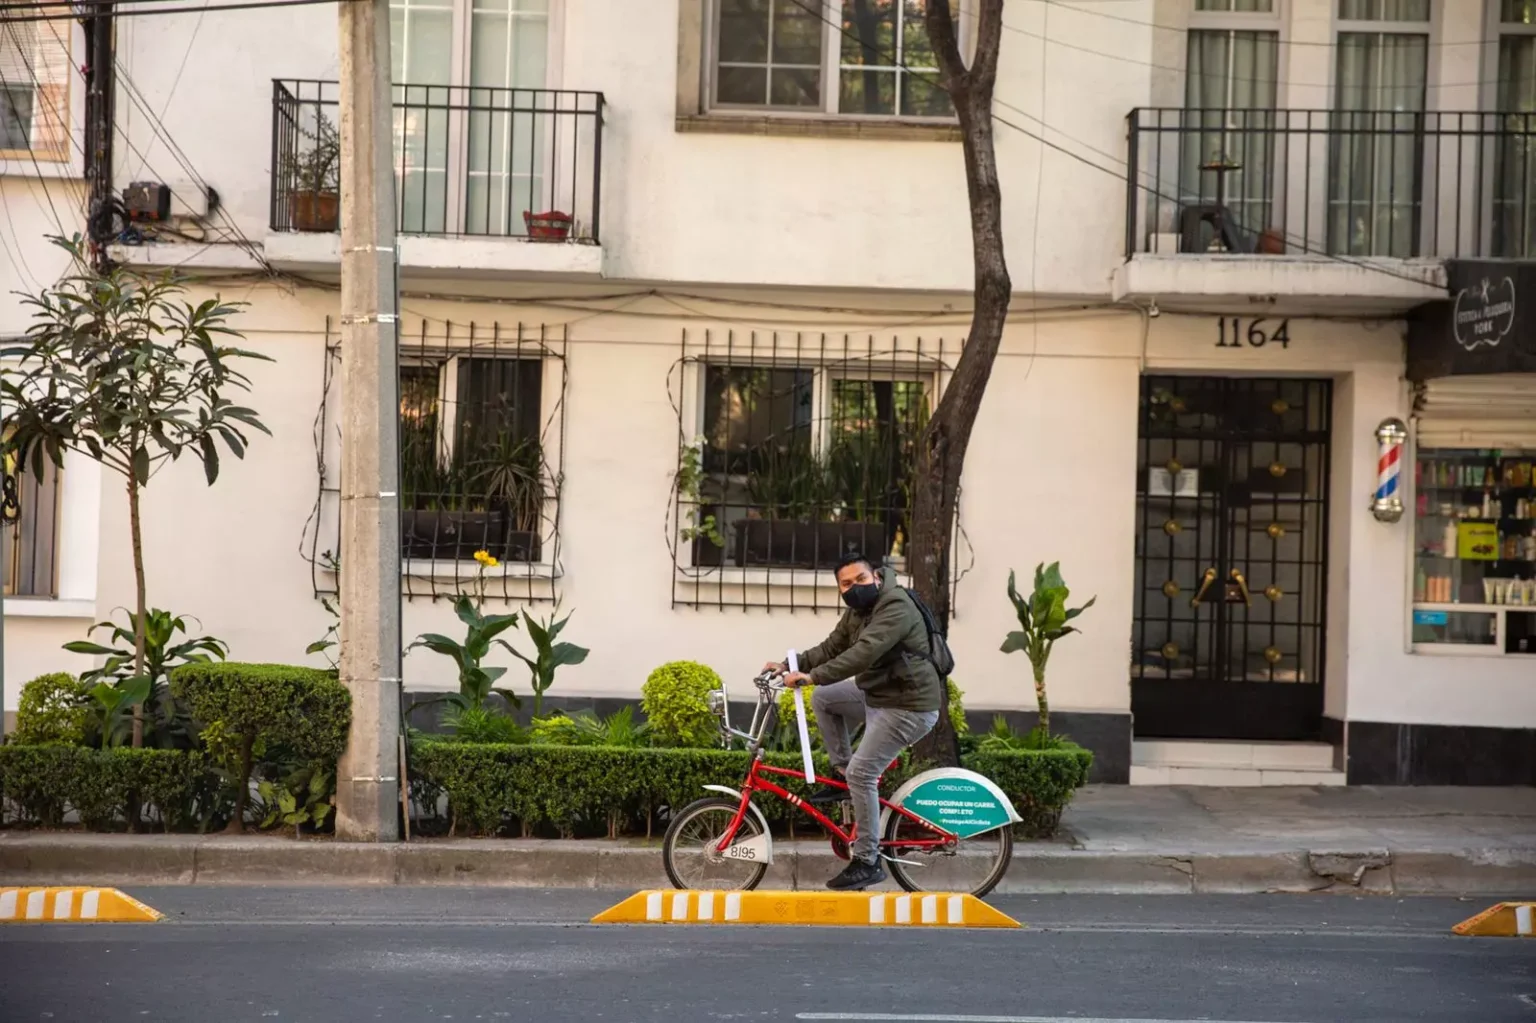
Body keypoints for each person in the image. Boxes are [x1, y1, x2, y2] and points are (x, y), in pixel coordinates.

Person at [763, 552, 942, 891]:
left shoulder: (895, 606)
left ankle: (867, 860)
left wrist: (812, 676)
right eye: (846, 584)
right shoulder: (858, 612)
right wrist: (790, 664)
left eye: (860, 579)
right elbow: (832, 646)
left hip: (909, 705)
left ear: (876, 576)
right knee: (825, 698)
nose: (854, 587)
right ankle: (843, 772)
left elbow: (863, 653)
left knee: (865, 772)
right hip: (880, 696)